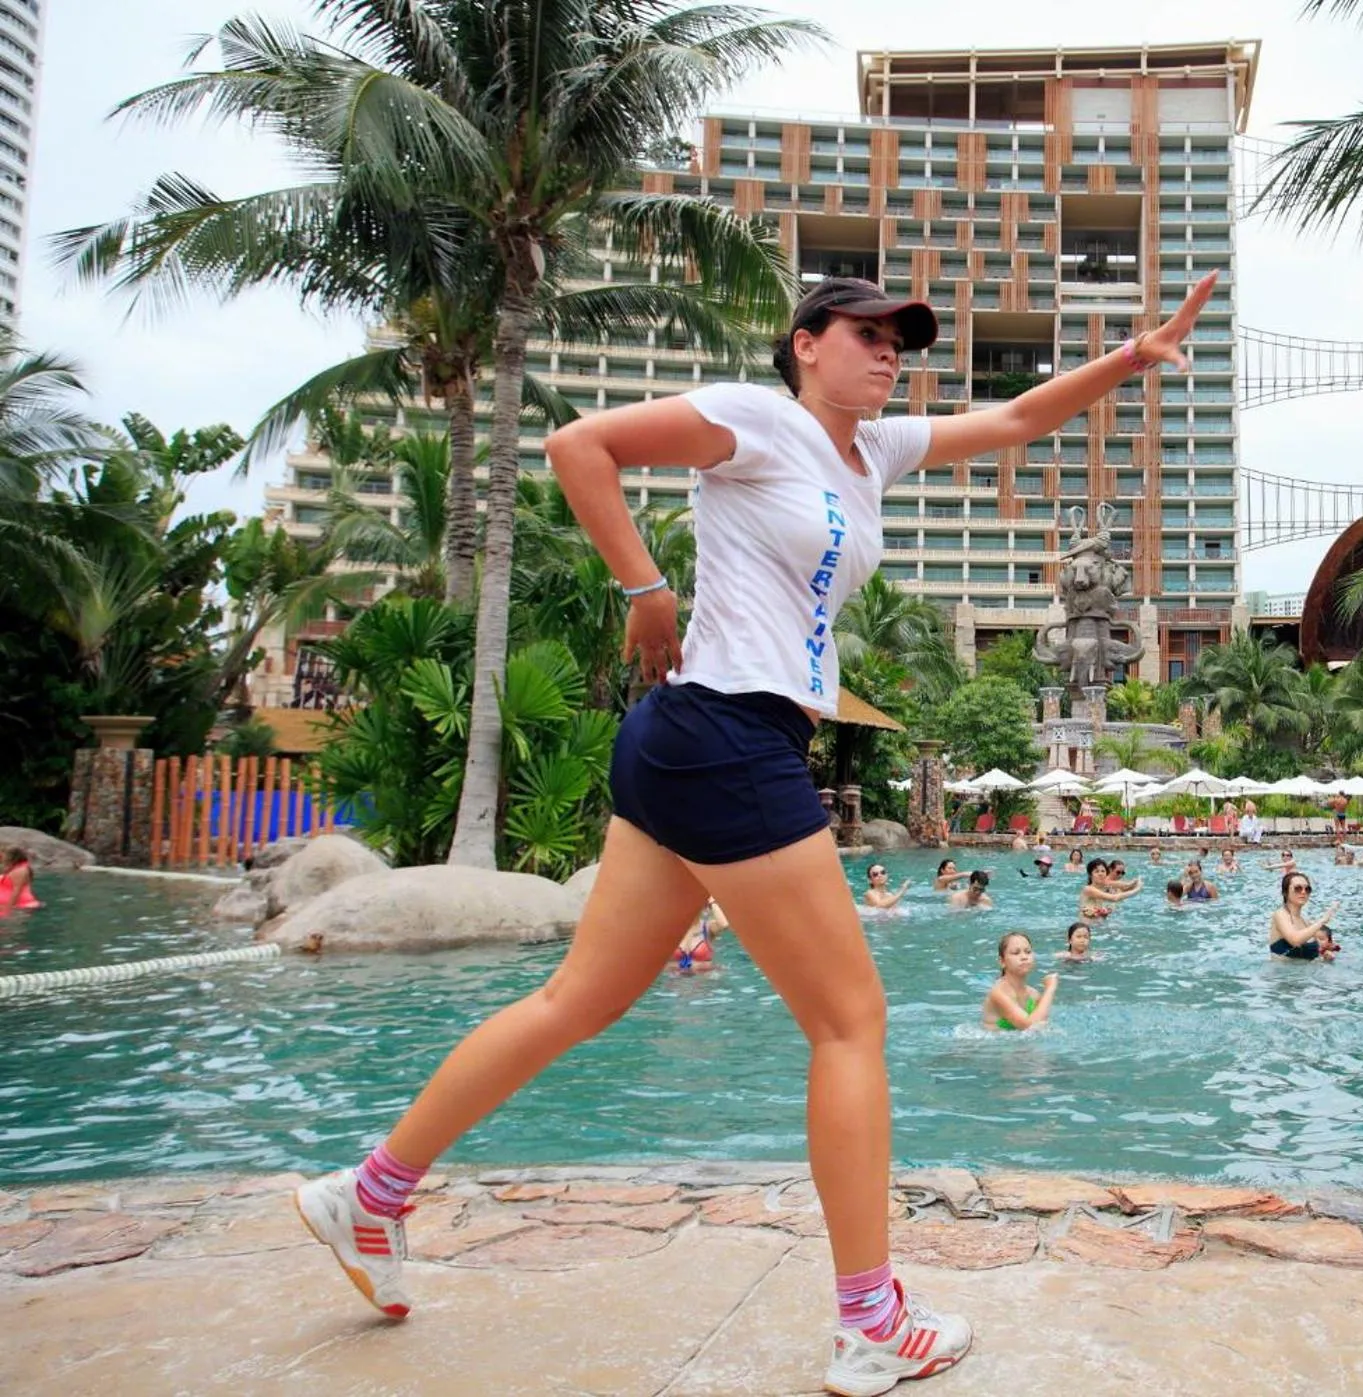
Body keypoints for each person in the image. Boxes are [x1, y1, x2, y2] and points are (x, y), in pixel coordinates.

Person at [289, 269, 1217, 1388]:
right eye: (865, 336)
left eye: (899, 342)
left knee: (577, 999)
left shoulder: (872, 452)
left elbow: (1017, 417)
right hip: (723, 731)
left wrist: (1130, 358)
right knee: (850, 1021)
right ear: (804, 343)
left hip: (715, 737)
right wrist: (643, 589)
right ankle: (870, 1321)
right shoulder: (757, 416)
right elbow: (580, 446)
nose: (888, 355)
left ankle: (369, 1192)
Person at [981, 932, 1058, 1032]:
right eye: (1016, 953)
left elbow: (1042, 1027)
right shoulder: (998, 993)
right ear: (1002, 962)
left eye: (1028, 952)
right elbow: (1029, 1026)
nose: (1024, 957)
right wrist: (1050, 989)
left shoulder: (1034, 995)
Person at [1269, 872, 1340, 961]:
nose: (1303, 892)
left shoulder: (1305, 921)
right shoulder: (1280, 915)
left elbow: (1320, 948)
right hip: (1283, 974)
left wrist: (1325, 954)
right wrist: (1323, 920)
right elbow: (1295, 940)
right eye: (1298, 888)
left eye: (1307, 889)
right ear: (1285, 892)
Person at [1078, 859, 1143, 920]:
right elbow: (1115, 898)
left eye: (1103, 871)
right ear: (1090, 874)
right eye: (1096, 871)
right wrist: (1137, 889)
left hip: (1100, 926)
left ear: (1106, 873)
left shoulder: (1104, 887)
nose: (1100, 874)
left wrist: (1105, 912)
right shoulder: (1088, 889)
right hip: (1086, 928)